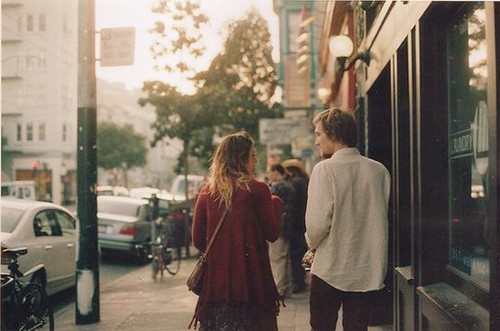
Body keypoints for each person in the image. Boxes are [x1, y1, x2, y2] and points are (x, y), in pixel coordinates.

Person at [305, 108, 391, 331]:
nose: (317, 141)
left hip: (330, 267)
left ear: (333, 134)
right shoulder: (379, 171)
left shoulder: (324, 169)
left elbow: (316, 226)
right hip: (366, 268)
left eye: (318, 134)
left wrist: (311, 245)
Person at [190, 131, 283, 331]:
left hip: (216, 285)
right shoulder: (258, 190)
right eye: (252, 156)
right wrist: (275, 203)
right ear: (241, 159)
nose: (256, 161)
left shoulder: (206, 192)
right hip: (253, 283)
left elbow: (198, 240)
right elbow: (273, 234)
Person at [267, 163, 295, 299]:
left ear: (276, 172)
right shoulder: (289, 185)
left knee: (277, 258)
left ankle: (279, 289)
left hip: (279, 227)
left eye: (270, 172)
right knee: (284, 258)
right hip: (288, 227)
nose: (268, 176)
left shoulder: (278, 187)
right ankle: (286, 287)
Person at [281, 159, 309, 293]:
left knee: (296, 254)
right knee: (299, 252)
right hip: (301, 222)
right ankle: (299, 280)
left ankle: (298, 282)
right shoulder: (302, 181)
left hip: (296, 223)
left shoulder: (295, 183)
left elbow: (293, 205)